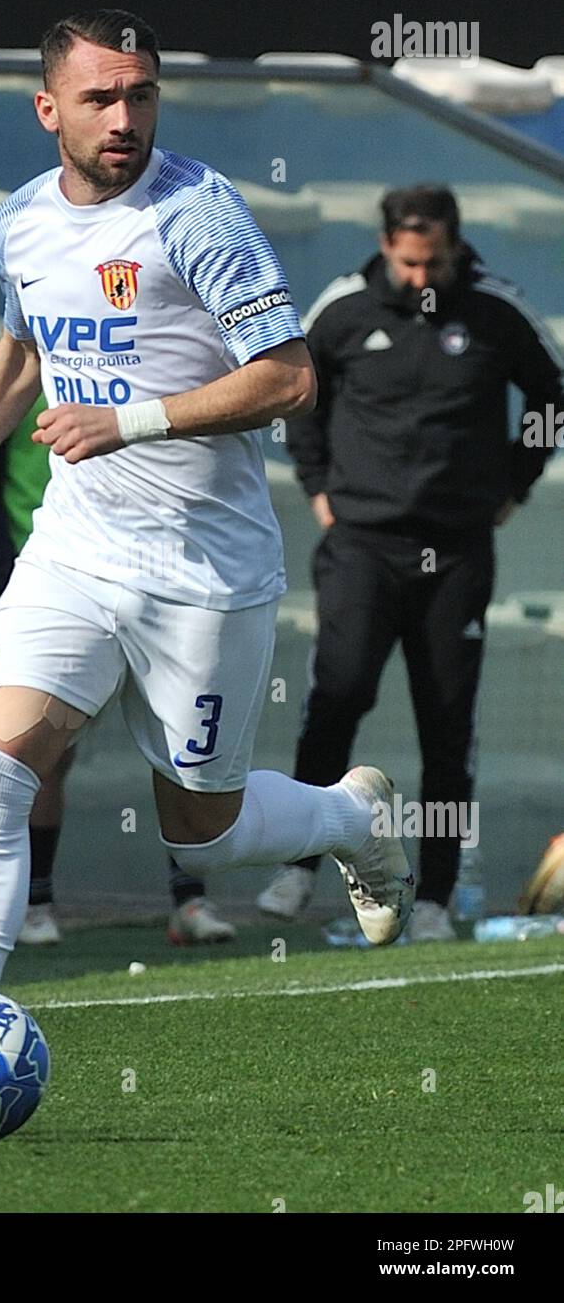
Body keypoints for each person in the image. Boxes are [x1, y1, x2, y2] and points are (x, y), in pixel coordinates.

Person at [0, 9, 414, 1131]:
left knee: (195, 833)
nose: (126, 118)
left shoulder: (198, 214)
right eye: (104, 98)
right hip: (75, 547)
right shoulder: (22, 219)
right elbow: (20, 349)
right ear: (49, 109)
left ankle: (353, 819)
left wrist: (133, 420)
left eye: (144, 95)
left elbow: (290, 378)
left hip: (203, 569)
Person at [256, 184, 564, 941]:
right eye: (407, 261)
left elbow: (553, 396)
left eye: (432, 262)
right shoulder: (343, 308)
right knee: (339, 693)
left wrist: (511, 488)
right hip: (362, 544)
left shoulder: (496, 309)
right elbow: (296, 392)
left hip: (456, 552)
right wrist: (319, 488)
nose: (420, 277)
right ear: (386, 246)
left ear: (455, 247)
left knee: (446, 724)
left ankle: (433, 893)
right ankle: (298, 867)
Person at [0, 351, 236, 946]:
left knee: (176, 746)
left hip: (162, 576)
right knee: (28, 750)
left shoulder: (150, 348)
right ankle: (34, 904)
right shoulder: (9, 363)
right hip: (54, 572)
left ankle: (190, 901)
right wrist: (7, 571)